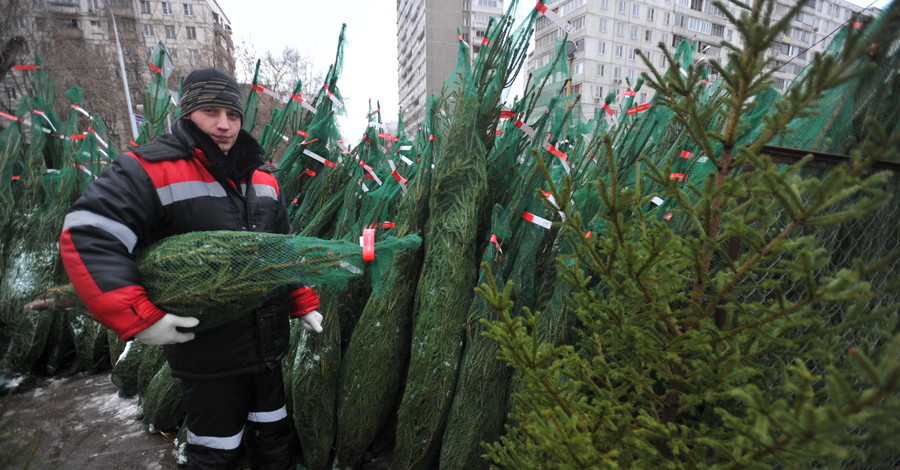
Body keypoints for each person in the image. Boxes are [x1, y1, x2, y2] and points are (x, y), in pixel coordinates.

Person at [59, 67, 322, 469]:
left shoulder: (264, 179)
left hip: (268, 348)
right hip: (209, 356)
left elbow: (282, 249)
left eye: (232, 115)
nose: (223, 124)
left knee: (273, 439)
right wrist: (138, 317)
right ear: (187, 114)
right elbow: (89, 234)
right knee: (217, 453)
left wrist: (302, 301)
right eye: (211, 112)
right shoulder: (148, 169)